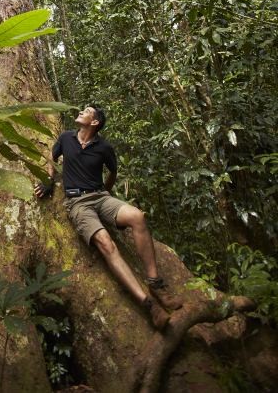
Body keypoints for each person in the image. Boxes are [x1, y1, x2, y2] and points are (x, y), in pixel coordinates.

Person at [35, 105, 182, 331]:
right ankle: (149, 304)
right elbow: (51, 158)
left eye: (86, 111)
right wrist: (47, 182)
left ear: (95, 123)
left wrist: (106, 191)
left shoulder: (104, 147)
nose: (81, 111)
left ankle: (155, 283)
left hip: (102, 197)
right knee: (106, 243)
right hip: (77, 203)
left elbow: (112, 171)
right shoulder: (65, 138)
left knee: (137, 216)